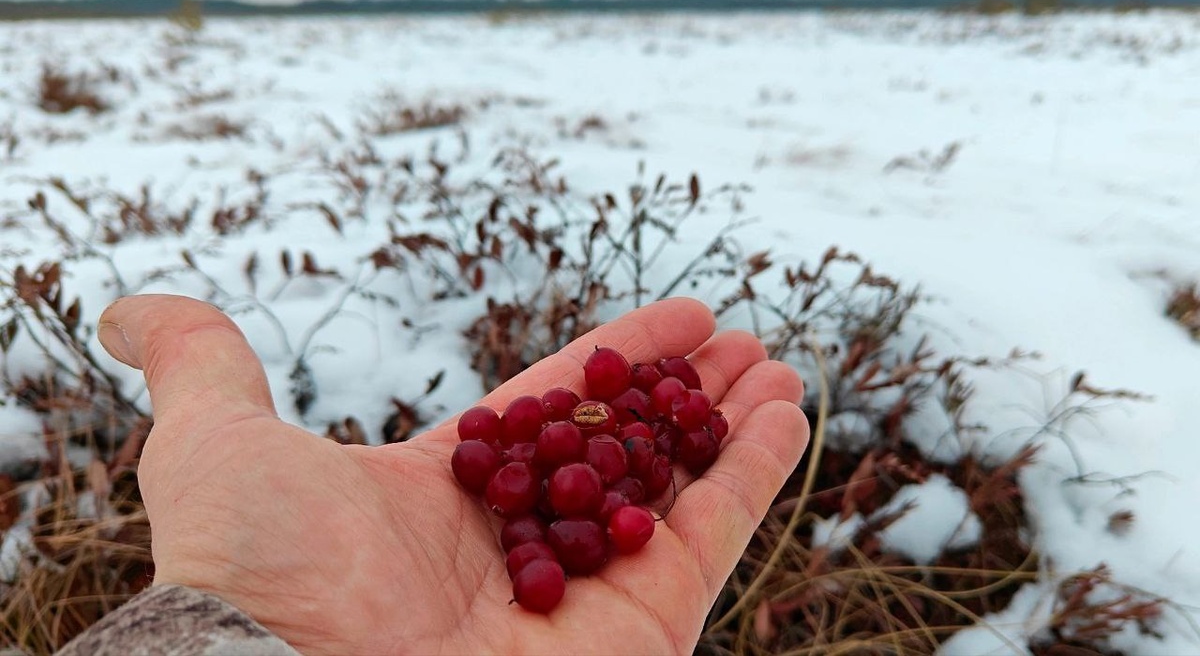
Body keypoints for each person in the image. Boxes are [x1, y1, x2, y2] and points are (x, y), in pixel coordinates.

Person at [59, 294, 809, 655]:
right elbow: (524, 455)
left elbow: (578, 457)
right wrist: (253, 613)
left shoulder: (592, 456)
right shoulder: (536, 463)